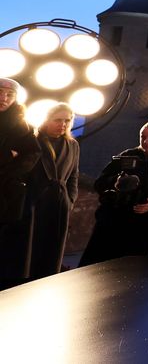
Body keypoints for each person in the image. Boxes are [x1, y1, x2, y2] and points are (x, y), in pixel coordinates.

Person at [78, 120, 148, 266]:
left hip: (142, 227)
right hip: (111, 222)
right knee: (93, 267)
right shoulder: (128, 156)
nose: (146, 141)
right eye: (143, 137)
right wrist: (116, 182)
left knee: (131, 271)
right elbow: (100, 183)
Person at [24, 102, 79, 279]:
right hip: (33, 201)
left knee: (52, 250)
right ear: (46, 119)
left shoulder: (73, 145)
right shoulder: (32, 140)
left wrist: (70, 200)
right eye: (57, 120)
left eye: (67, 120)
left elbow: (73, 175)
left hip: (59, 203)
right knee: (29, 249)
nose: (62, 124)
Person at [0, 78, 41, 286]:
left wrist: (12, 172)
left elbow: (32, 153)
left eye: (9, 95)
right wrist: (8, 155)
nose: (3, 98)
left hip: (5, 192)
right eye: (0, 92)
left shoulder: (22, 125)